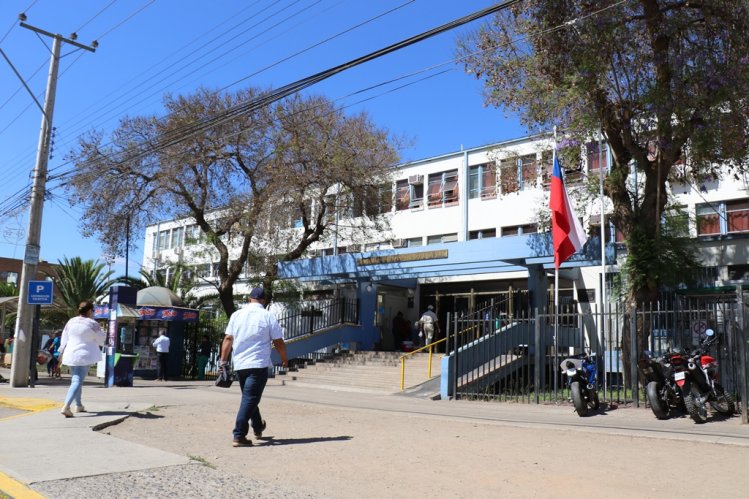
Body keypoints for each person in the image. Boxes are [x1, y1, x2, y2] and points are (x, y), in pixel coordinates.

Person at [219, 287, 288, 448]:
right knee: (250, 398)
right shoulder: (268, 315)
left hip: (240, 364)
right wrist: (284, 358)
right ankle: (239, 435)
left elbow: (228, 338)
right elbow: (278, 341)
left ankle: (257, 426)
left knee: (249, 397)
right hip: (258, 364)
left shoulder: (236, 315)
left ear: (249, 299)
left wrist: (223, 361)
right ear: (263, 300)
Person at [58, 301, 106, 417]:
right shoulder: (93, 324)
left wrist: (60, 352)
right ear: (89, 311)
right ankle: (66, 406)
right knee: (77, 381)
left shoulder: (71, 321)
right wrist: (103, 334)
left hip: (70, 354)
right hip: (84, 355)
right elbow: (101, 340)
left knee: (76, 380)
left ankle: (78, 405)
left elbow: (64, 338)